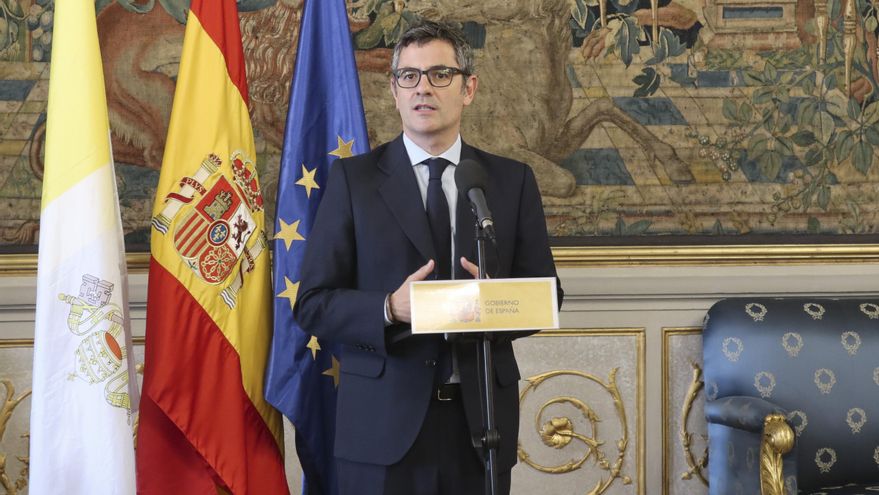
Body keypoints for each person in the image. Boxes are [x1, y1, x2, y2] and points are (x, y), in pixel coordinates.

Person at [294, 20, 562, 495]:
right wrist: (388, 309)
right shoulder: (354, 181)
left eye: (440, 74)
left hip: (480, 427)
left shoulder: (510, 180)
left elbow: (547, 294)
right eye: (409, 76)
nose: (423, 88)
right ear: (394, 91)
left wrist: (498, 303)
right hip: (382, 426)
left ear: (469, 88)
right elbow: (313, 303)